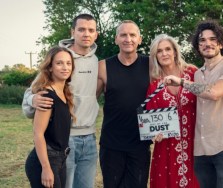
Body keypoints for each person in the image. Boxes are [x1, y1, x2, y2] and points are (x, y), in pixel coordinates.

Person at [164, 20, 223, 188]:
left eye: (213, 39)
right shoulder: (197, 75)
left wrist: (181, 82)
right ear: (197, 45)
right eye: (202, 40)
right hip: (201, 151)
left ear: (222, 43)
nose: (207, 43)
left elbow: (214, 93)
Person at [22, 14, 99, 188]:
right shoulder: (60, 57)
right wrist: (32, 98)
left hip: (90, 139)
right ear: (73, 32)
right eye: (81, 29)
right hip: (65, 139)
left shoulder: (97, 62)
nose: (86, 34)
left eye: (91, 30)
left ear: (96, 34)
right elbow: (35, 89)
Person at [97, 20, 151, 188]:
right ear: (116, 39)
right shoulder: (103, 66)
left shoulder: (151, 65)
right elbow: (88, 97)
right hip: (111, 143)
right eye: (123, 35)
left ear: (140, 39)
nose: (128, 39)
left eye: (132, 35)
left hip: (140, 144)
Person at [146, 34, 199, 188]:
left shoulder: (192, 73)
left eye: (168, 49)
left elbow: (206, 96)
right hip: (167, 147)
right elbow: (150, 118)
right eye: (159, 51)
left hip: (194, 143)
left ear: (175, 51)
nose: (164, 54)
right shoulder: (154, 84)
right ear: (155, 56)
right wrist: (154, 134)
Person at [25, 46, 75, 188]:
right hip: (45, 161)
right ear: (50, 67)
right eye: (59, 63)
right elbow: (38, 133)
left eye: (68, 63)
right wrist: (46, 168)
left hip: (61, 158)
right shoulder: (47, 96)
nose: (65, 67)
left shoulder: (64, 93)